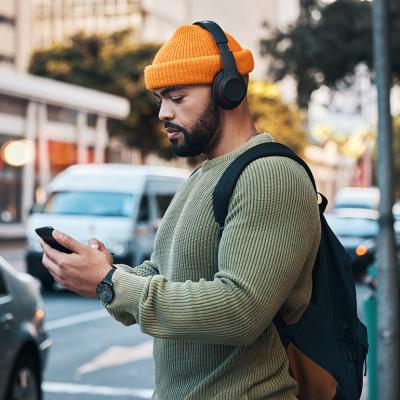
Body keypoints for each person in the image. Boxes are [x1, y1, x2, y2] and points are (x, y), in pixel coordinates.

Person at [40, 21, 321, 400]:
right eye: (160, 99)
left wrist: (111, 283)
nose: (162, 113)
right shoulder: (202, 176)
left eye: (177, 97)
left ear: (228, 90)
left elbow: (240, 311)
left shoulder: (270, 174)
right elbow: (164, 274)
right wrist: (103, 274)